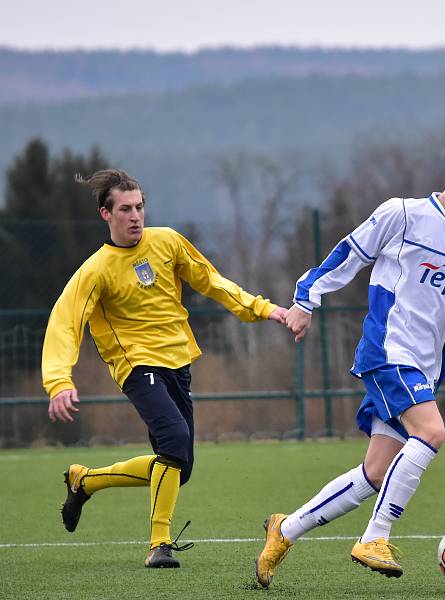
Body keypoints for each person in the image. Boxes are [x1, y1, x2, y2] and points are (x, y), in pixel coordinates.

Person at [255, 134, 445, 587]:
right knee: (432, 431)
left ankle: (286, 529)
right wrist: (304, 300)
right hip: (389, 351)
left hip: (424, 368)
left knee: (374, 472)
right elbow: (349, 253)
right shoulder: (404, 214)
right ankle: (375, 536)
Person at [42, 169, 287, 568]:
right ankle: (160, 544)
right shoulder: (96, 270)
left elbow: (212, 282)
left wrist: (263, 309)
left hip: (178, 362)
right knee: (173, 439)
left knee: (177, 467)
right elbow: (64, 323)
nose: (135, 215)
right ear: (106, 214)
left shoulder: (168, 242)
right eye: (125, 209)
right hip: (136, 365)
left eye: (139, 207)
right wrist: (58, 382)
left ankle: (84, 481)